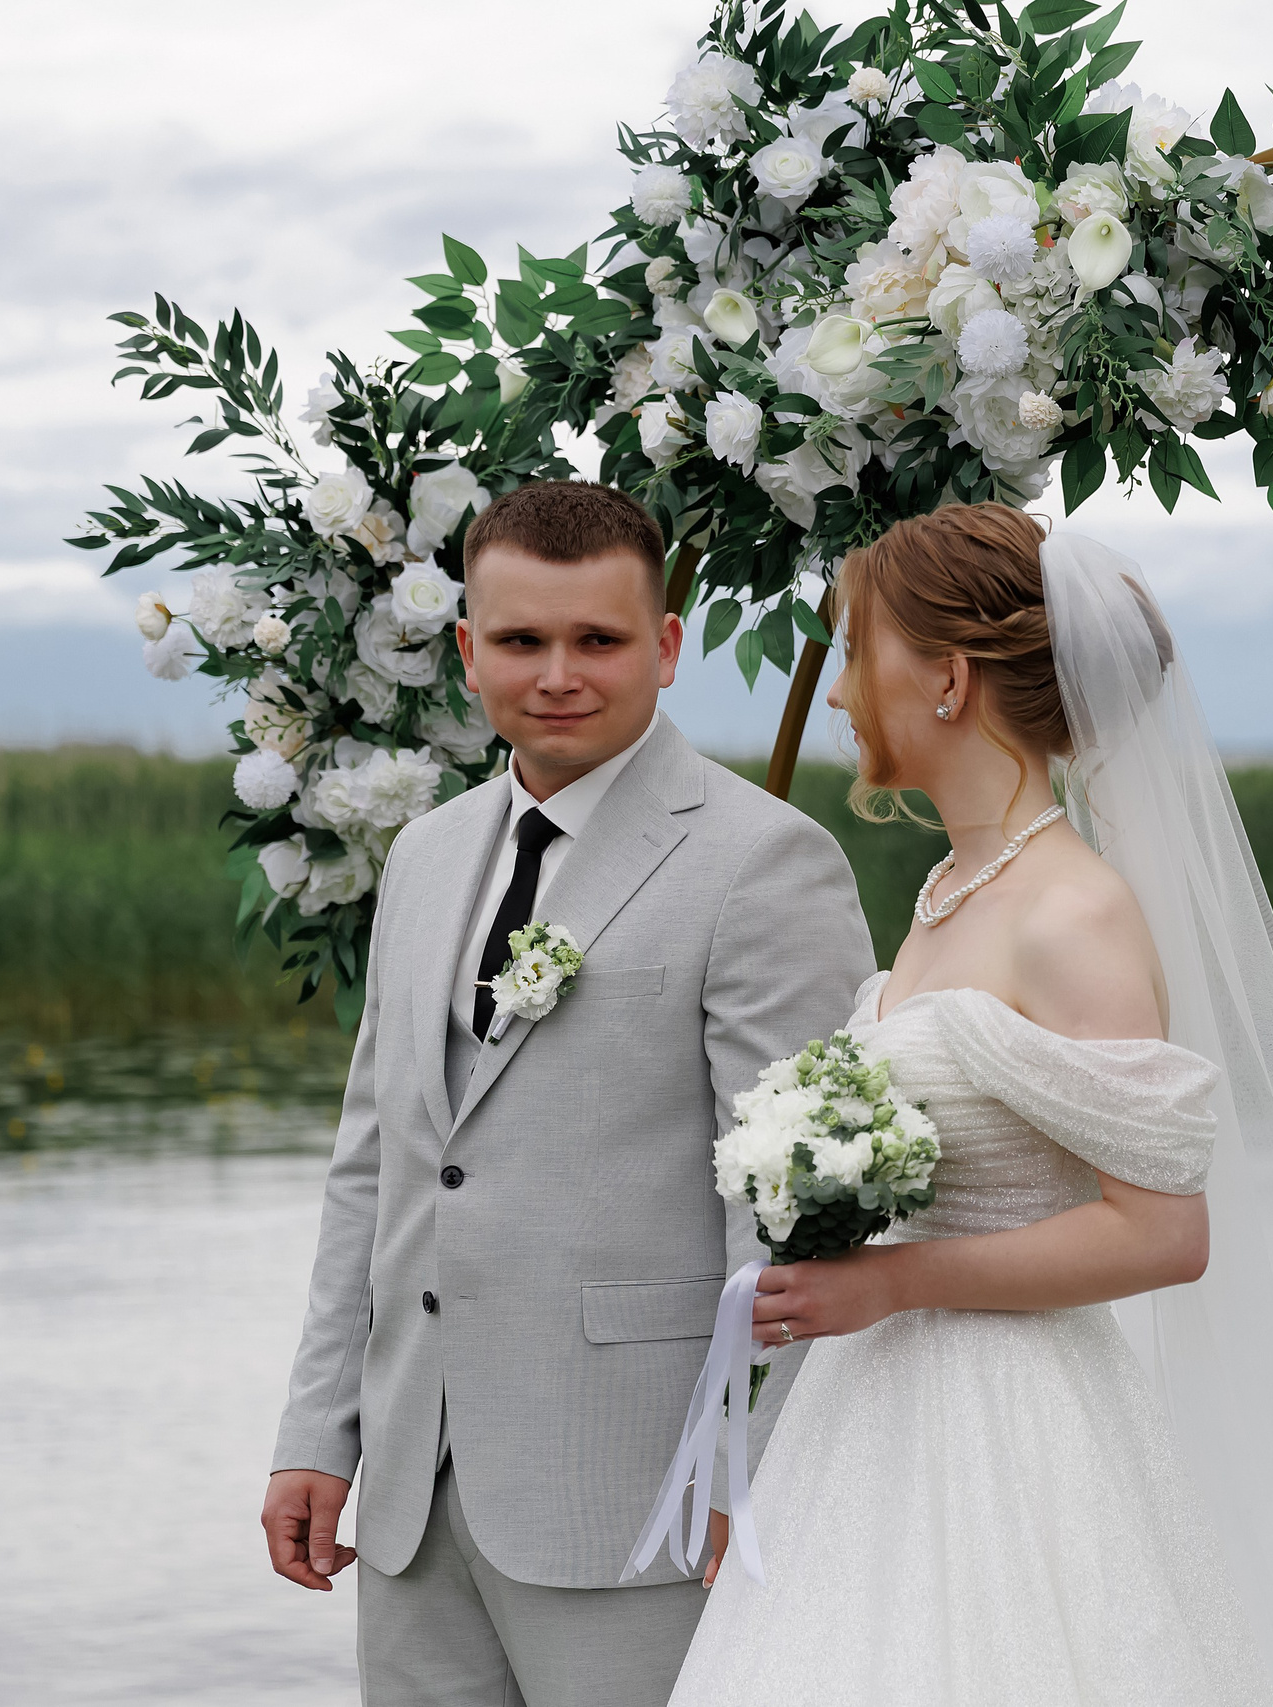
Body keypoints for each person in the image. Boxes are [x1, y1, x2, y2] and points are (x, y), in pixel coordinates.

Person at [666, 505, 1273, 1706]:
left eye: (853, 654)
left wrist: (888, 1282)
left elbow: (1161, 1232)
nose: (836, 696)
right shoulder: (948, 891)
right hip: (870, 1420)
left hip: (1014, 1435)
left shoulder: (1072, 912)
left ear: (946, 678)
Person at [259, 480, 873, 1706]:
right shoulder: (428, 856)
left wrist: (761, 1470)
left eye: (596, 640)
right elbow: (375, 1169)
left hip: (647, 1497)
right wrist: (318, 1435)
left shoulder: (763, 862)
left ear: (664, 646)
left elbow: (806, 1216)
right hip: (411, 1497)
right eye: (521, 641)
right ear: (464, 652)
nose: (557, 675)